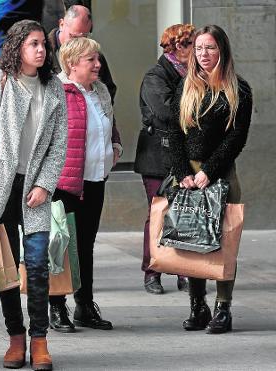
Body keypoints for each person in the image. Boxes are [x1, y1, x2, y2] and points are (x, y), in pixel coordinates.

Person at [0, 20, 67, 370]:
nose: (41, 50)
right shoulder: (1, 81)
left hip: (34, 191)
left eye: (43, 44)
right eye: (33, 44)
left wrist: (45, 185)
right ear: (18, 48)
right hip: (1, 188)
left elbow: (59, 145)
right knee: (6, 270)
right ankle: (16, 339)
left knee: (37, 267)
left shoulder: (54, 87)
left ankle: (40, 340)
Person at [170, 25, 252, 334]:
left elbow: (236, 138)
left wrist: (209, 171)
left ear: (223, 51)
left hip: (221, 173)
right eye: (200, 48)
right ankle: (197, 305)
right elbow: (173, 133)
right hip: (189, 175)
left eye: (211, 48)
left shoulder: (238, 89)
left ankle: (223, 308)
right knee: (192, 241)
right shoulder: (185, 86)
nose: (204, 54)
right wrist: (183, 174)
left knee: (225, 243)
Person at [49, 37, 121, 334]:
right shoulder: (56, 90)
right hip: (64, 182)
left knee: (86, 245)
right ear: (71, 63)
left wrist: (115, 144)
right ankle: (56, 306)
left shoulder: (101, 89)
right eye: (91, 60)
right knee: (60, 246)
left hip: (95, 178)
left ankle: (85, 305)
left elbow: (108, 122)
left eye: (97, 59)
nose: (98, 64)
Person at [135, 24, 195, 295]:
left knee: (184, 214)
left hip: (185, 155)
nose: (198, 51)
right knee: (159, 213)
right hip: (157, 156)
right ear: (177, 47)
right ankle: (153, 271)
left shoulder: (194, 74)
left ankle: (185, 271)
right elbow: (167, 112)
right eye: (193, 45)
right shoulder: (156, 76)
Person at [48, 5, 116, 100]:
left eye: (84, 37)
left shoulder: (95, 56)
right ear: (61, 24)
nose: (79, 42)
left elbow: (109, 89)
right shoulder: (43, 53)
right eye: (74, 37)